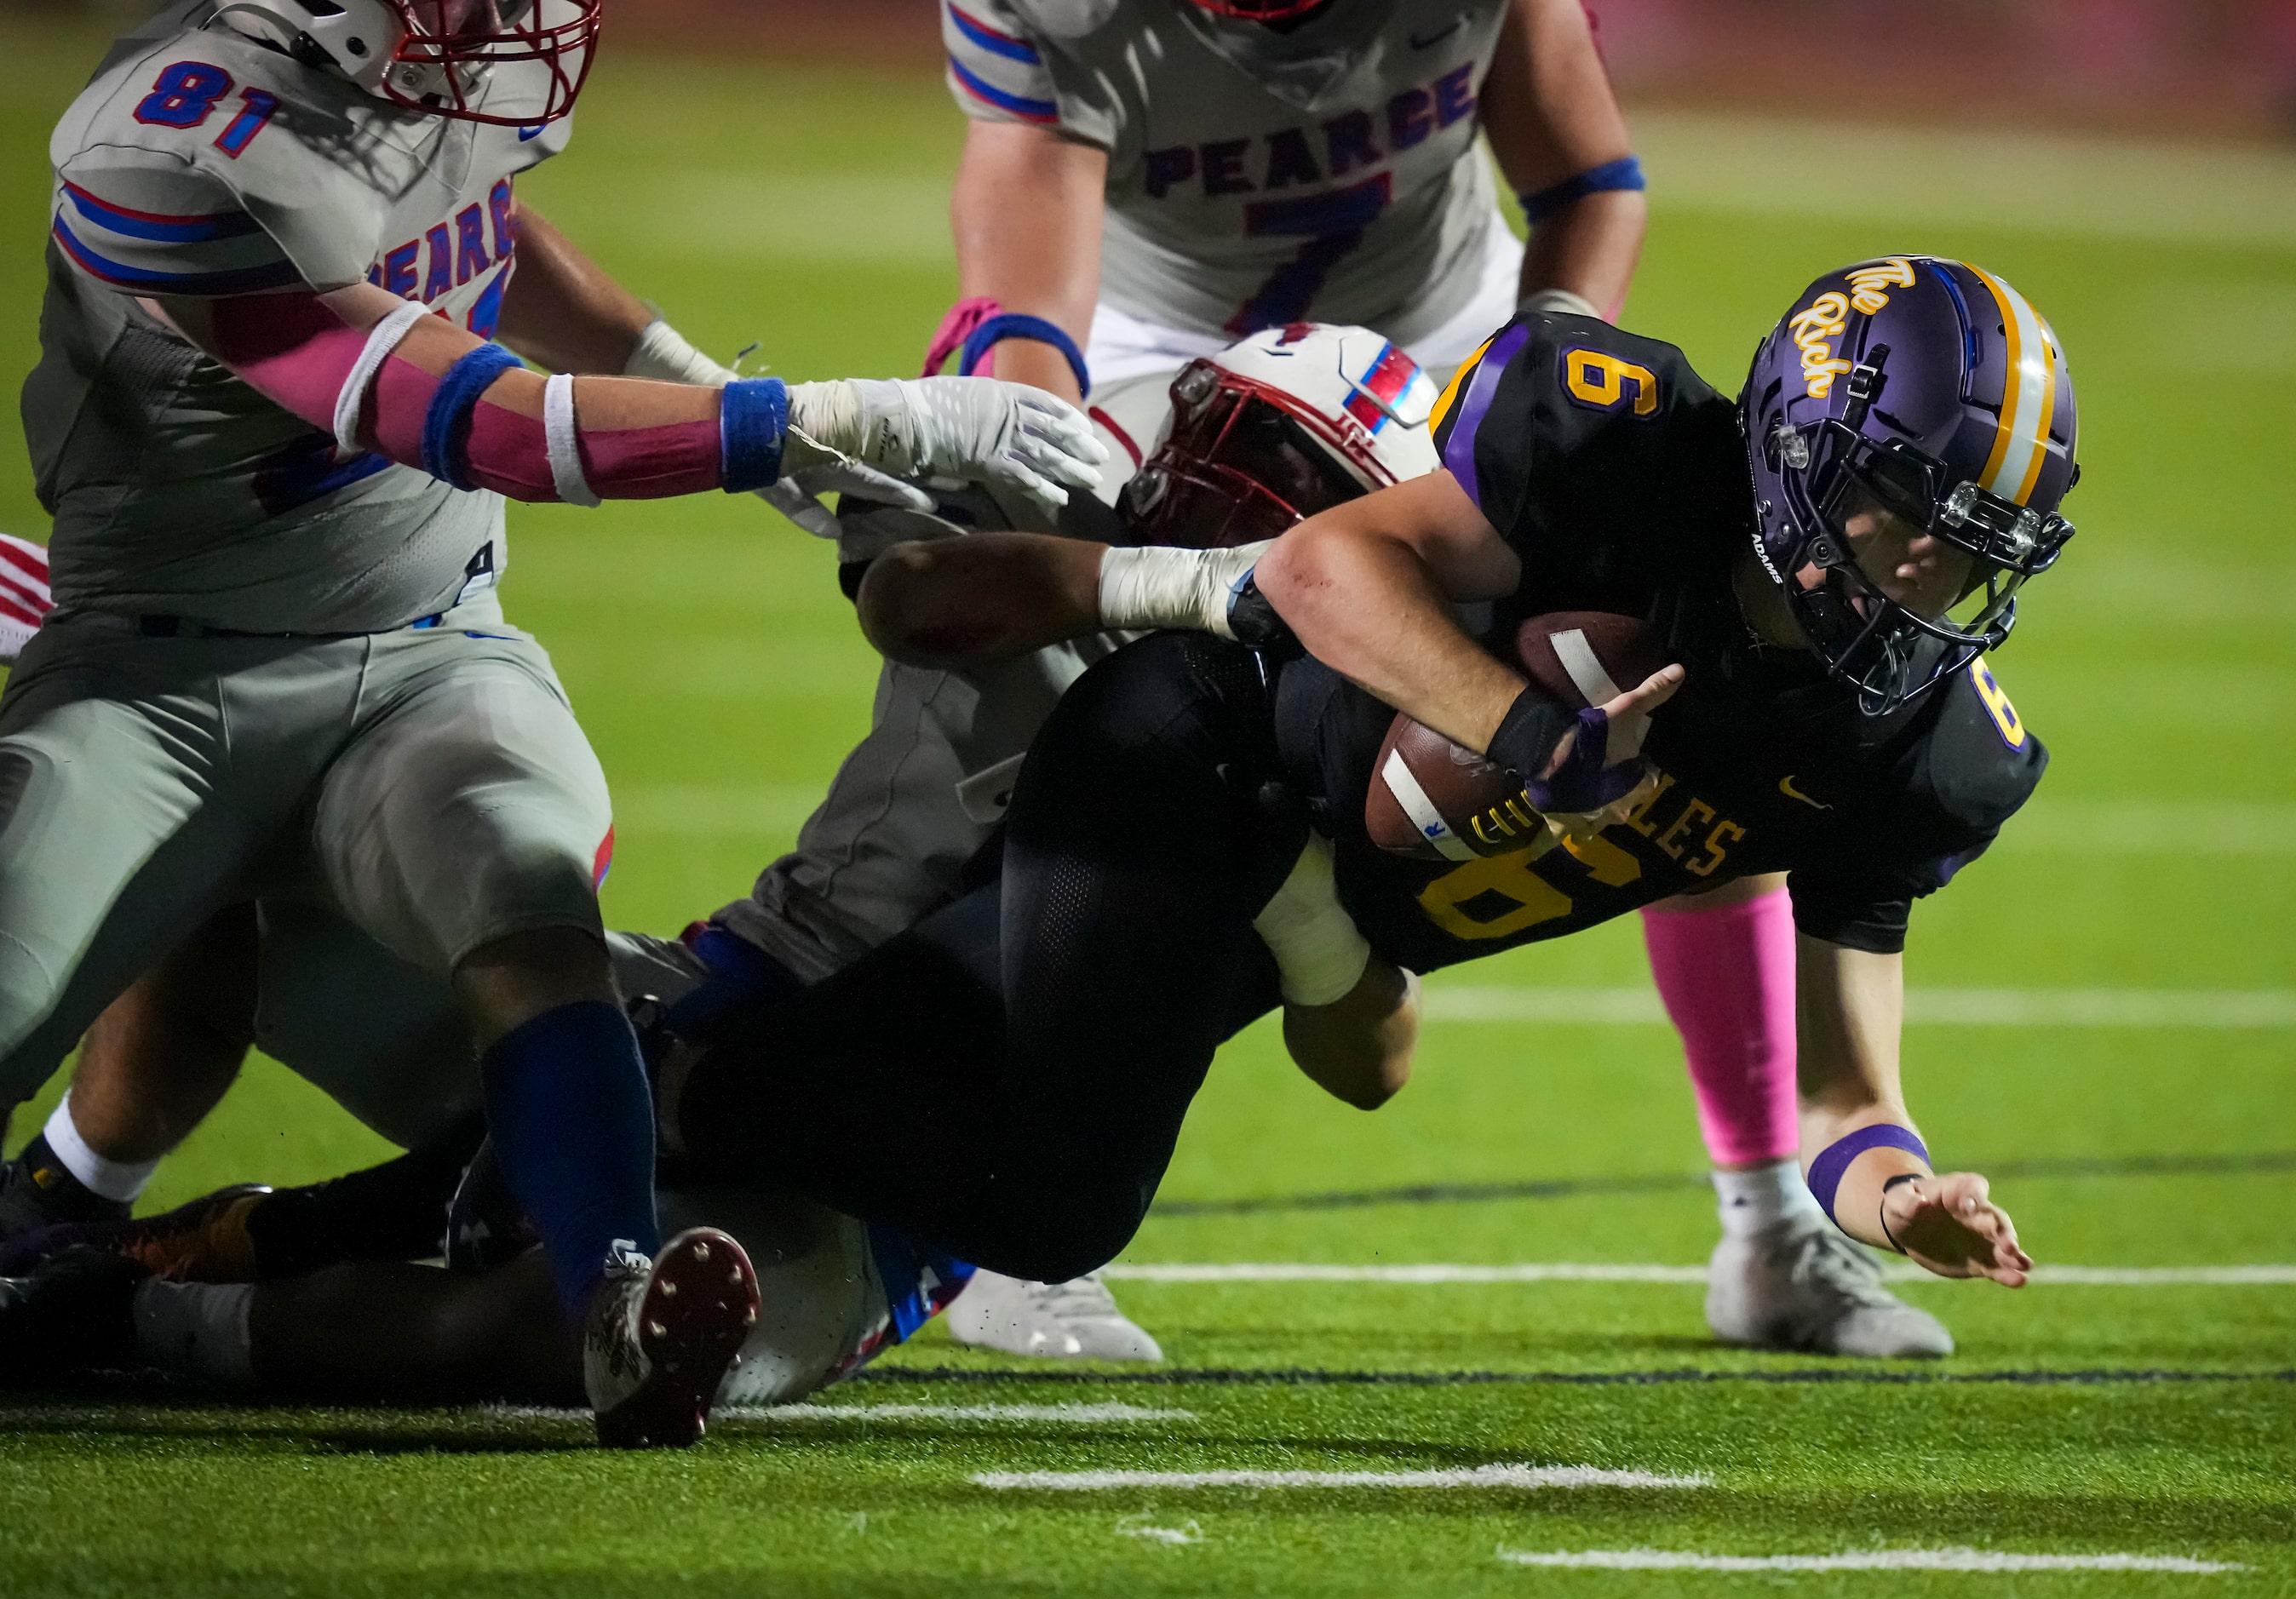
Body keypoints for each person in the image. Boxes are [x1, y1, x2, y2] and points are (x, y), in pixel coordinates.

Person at [2, 0, 1101, 1444]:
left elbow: (483, 240)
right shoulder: (178, 149)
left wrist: (693, 376)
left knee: (526, 899)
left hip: (426, 647)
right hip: (168, 677)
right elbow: (479, 422)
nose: (520, 18)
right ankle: (72, 1229)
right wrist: (825, 415)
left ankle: (616, 1300)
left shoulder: (407, 79)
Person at [0, 328, 1427, 1401]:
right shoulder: (1062, 505)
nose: (1253, 496)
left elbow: (1375, 1059)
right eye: (1253, 446)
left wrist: (1297, 903)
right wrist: (1156, 583)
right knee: (240, 830)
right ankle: (76, 1192)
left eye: (1305, 487)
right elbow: (922, 599)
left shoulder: (1310, 737)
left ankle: (122, 1322)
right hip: (687, 1005)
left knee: (597, 1338)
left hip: (890, 1181)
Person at [634, 256, 2077, 1312]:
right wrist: (1531, 736)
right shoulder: (1625, 451)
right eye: (1911, 526)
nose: (1932, 583)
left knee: (919, 1088)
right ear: (1801, 463)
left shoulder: (1918, 748)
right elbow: (1318, 566)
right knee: (1050, 1195)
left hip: (1304, 899)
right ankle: (632, 1095)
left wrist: (1901, 1197)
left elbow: (1849, 1099)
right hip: (1198, 757)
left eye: (1980, 550)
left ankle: (616, 1102)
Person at [926, 0, 1909, 1355]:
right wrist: (1053, 457)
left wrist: (1541, 379)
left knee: (1698, 685)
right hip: (1175, 374)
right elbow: (1032, 299)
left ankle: (1770, 1228)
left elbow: (1587, 179)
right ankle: (1019, 1217)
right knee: (1085, 728)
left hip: (1459, 350)